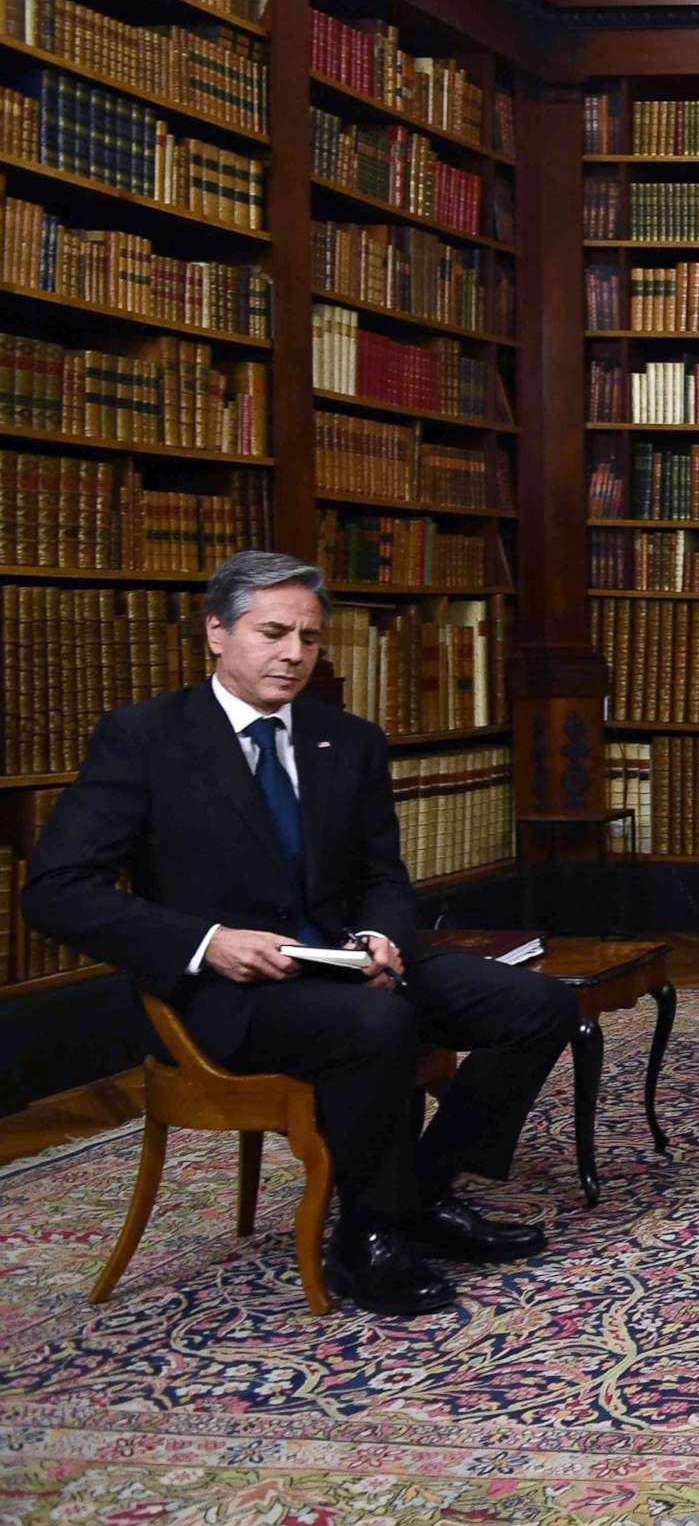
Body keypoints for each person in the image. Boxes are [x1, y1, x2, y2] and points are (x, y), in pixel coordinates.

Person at [20, 551, 577, 1317]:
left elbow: (384, 875)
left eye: (311, 639)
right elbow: (55, 892)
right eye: (273, 632)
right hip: (228, 992)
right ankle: (368, 1238)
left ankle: (418, 1191)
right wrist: (206, 939)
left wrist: (383, 933)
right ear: (216, 632)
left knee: (539, 1005)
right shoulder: (144, 739)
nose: (293, 655)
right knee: (378, 1022)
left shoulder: (346, 739)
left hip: (350, 963)